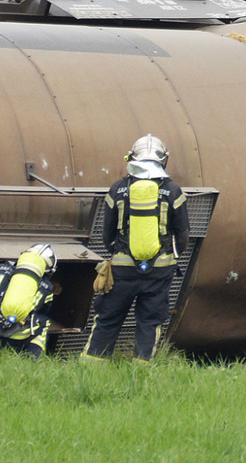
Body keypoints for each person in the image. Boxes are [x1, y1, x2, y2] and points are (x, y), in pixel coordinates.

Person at [81, 134, 190, 363]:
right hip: (159, 270)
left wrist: (117, 253)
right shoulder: (173, 190)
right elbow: (182, 234)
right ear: (163, 160)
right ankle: (141, 370)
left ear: (132, 158)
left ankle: (92, 368)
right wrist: (171, 257)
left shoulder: (118, 188)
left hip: (122, 268)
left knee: (108, 319)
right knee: (150, 322)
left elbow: (107, 232)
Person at [0, 243, 57, 358]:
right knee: (44, 321)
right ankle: (32, 358)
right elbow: (44, 311)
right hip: (16, 342)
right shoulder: (47, 287)